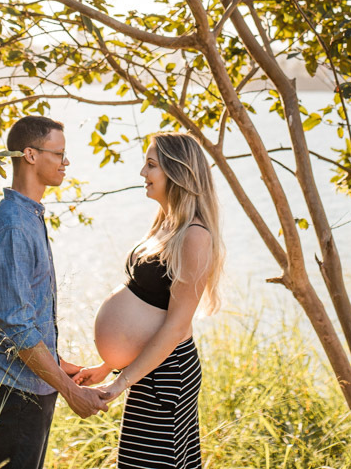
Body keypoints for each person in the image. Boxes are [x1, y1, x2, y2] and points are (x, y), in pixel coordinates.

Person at [75, 132, 225, 469]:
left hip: (167, 374)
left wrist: (120, 382)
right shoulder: (167, 223)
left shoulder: (195, 236)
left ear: (177, 172)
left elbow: (175, 327)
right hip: (148, 369)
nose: (143, 173)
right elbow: (148, 307)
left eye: (151, 165)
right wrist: (109, 366)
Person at [0, 115, 107, 469]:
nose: (66, 162)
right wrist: (71, 390)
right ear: (30, 155)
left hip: (33, 386)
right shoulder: (14, 225)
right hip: (18, 392)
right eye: (58, 154)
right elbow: (16, 328)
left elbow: (27, 314)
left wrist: (62, 367)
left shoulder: (29, 216)